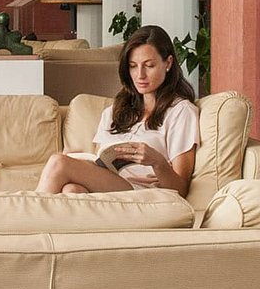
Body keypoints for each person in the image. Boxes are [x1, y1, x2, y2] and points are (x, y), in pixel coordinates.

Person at [36, 25, 200, 196]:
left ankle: (25, 217)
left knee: (58, 163)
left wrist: (157, 162)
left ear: (168, 63)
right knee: (72, 190)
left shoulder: (181, 112)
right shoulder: (116, 110)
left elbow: (180, 189)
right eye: (133, 66)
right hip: (111, 188)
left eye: (149, 65)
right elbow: (100, 162)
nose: (140, 75)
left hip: (145, 193)